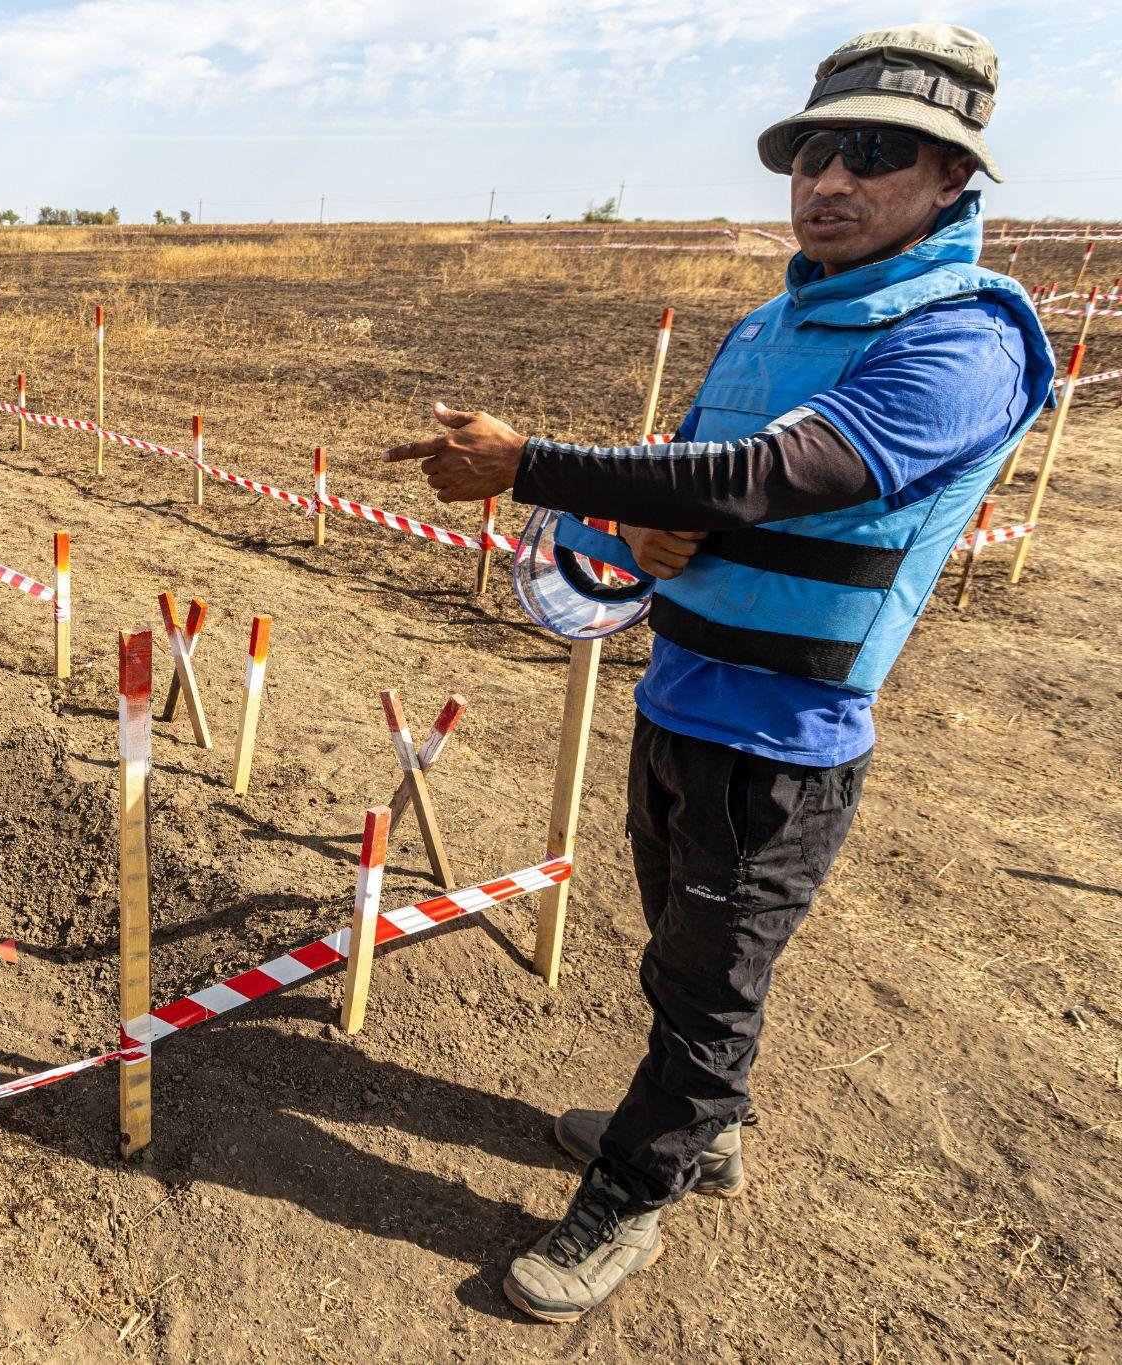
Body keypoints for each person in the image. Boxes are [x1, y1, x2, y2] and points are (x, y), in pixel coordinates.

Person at [381, 25, 1055, 1322]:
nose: (831, 179)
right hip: (676, 697)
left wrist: (526, 463)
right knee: (682, 954)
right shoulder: (764, 327)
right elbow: (680, 473)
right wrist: (631, 533)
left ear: (954, 180)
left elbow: (762, 478)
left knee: (708, 983)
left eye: (878, 153)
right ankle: (709, 1123)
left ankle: (635, 1188)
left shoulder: (968, 341)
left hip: (784, 743)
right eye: (814, 150)